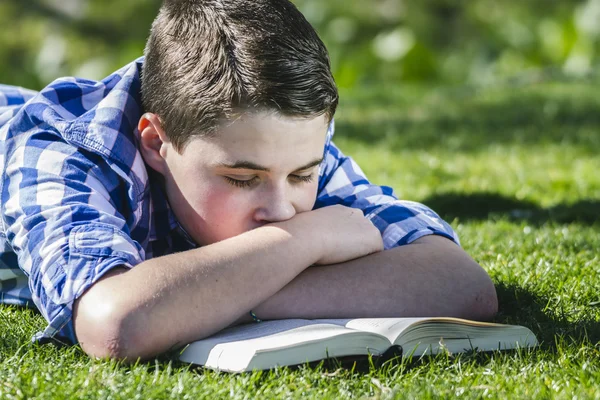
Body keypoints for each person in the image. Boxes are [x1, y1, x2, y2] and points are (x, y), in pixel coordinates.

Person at [0, 0, 497, 361]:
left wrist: (204, 297)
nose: (282, 210)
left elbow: (461, 285)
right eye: (241, 179)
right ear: (156, 143)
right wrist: (307, 239)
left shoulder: (273, 144)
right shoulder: (65, 146)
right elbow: (115, 323)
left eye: (304, 174)